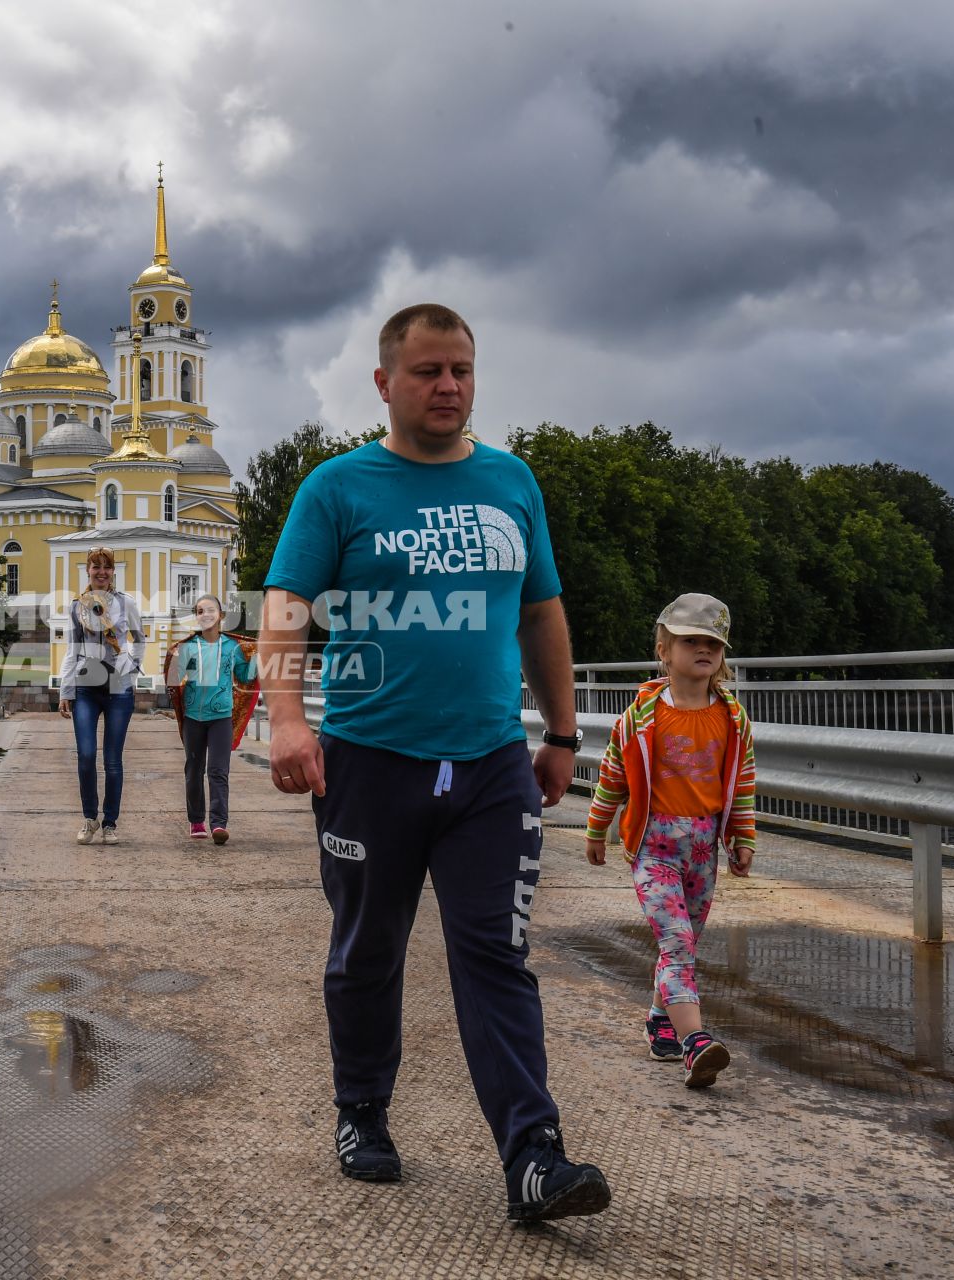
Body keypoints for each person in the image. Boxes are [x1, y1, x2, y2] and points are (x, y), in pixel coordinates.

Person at [261, 302, 610, 1222]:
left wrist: (563, 734)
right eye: (427, 371)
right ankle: (362, 1111)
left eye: (460, 369)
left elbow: (542, 613)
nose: (448, 385)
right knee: (369, 950)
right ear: (385, 383)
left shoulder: (511, 482)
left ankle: (534, 1154)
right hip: (370, 763)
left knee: (497, 952)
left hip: (492, 763)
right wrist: (289, 721)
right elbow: (289, 603)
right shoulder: (339, 488)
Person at [585, 593, 757, 1087]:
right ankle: (695, 1042)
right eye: (690, 641)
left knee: (683, 942)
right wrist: (597, 828)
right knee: (677, 941)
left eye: (713, 643)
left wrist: (742, 837)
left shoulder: (733, 718)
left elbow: (741, 781)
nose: (703, 650)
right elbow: (612, 776)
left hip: (703, 849)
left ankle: (661, 1020)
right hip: (653, 845)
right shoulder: (640, 718)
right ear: (664, 649)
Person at [58, 547, 145, 845]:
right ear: (88, 571)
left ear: (113, 572)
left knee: (112, 760)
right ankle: (89, 818)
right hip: (86, 688)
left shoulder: (126, 603)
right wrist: (65, 691)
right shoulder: (76, 607)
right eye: (96, 567)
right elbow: (72, 650)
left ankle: (110, 823)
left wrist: (132, 668)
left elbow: (140, 639)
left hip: (119, 689)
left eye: (106, 567)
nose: (101, 572)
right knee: (85, 755)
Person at [167, 593, 258, 844]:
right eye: (199, 611)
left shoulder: (232, 647)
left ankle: (219, 824)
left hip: (221, 718)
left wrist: (258, 659)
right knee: (194, 771)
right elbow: (174, 682)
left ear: (221, 616)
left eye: (210, 610)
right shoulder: (186, 647)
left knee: (218, 771)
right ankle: (197, 821)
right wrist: (173, 664)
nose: (205, 615)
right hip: (194, 719)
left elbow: (245, 677)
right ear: (196, 617)